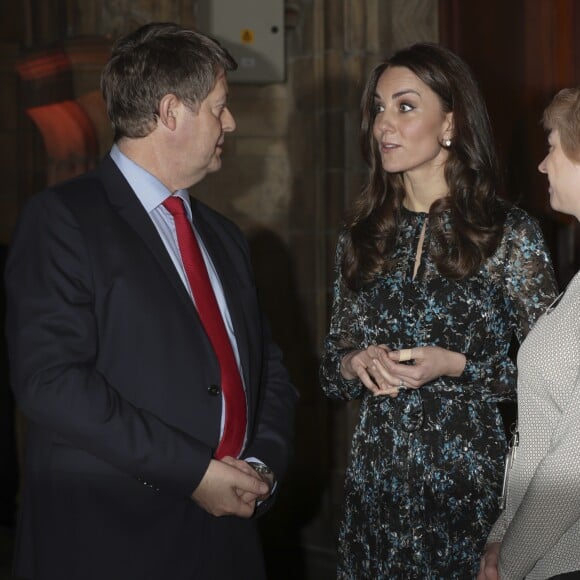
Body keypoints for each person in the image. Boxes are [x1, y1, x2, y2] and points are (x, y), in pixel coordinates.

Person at [5, 22, 298, 580]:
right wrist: (193, 474)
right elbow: (52, 381)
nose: (230, 123)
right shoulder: (64, 219)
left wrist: (259, 466)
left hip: (228, 538)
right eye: (219, 107)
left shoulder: (225, 235)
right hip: (113, 539)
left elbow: (271, 372)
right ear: (170, 112)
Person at [319, 42, 558, 579]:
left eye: (405, 107)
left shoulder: (507, 234)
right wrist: (355, 361)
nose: (384, 124)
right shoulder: (362, 235)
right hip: (377, 488)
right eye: (378, 108)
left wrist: (457, 366)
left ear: (449, 123)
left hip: (468, 486)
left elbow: (559, 382)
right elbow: (330, 372)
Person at [478, 88, 580, 580]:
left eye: (553, 147)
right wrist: (502, 531)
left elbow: (575, 455)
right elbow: (541, 428)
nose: (542, 166)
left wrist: (510, 561)